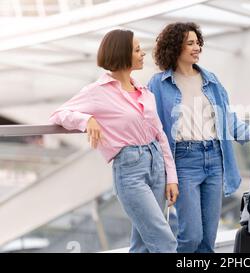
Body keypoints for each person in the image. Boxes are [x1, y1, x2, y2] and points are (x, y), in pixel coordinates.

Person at [148, 22, 250, 253]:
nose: (197, 47)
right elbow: (152, 127)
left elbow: (227, 119)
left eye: (198, 42)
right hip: (183, 161)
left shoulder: (212, 81)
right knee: (191, 236)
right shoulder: (159, 85)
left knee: (208, 239)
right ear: (174, 47)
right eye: (190, 43)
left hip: (215, 159)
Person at [49, 29, 178, 253]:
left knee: (143, 246)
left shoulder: (145, 92)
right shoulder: (97, 92)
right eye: (137, 50)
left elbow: (161, 135)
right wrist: (86, 119)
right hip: (130, 171)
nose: (143, 53)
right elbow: (59, 114)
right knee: (164, 240)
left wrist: (171, 178)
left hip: (157, 165)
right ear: (121, 54)